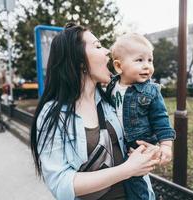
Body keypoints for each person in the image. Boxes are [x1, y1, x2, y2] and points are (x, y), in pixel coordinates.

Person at [30, 23, 158, 200]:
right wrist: (127, 170)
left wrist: (150, 149)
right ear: (80, 60)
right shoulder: (52, 114)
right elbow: (61, 184)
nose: (107, 51)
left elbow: (136, 139)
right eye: (98, 46)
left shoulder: (112, 100)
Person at [106, 33, 176, 200]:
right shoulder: (111, 86)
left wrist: (166, 145)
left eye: (150, 60)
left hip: (140, 147)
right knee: (123, 181)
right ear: (118, 66)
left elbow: (161, 119)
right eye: (139, 60)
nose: (147, 66)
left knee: (138, 184)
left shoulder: (151, 91)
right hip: (118, 145)